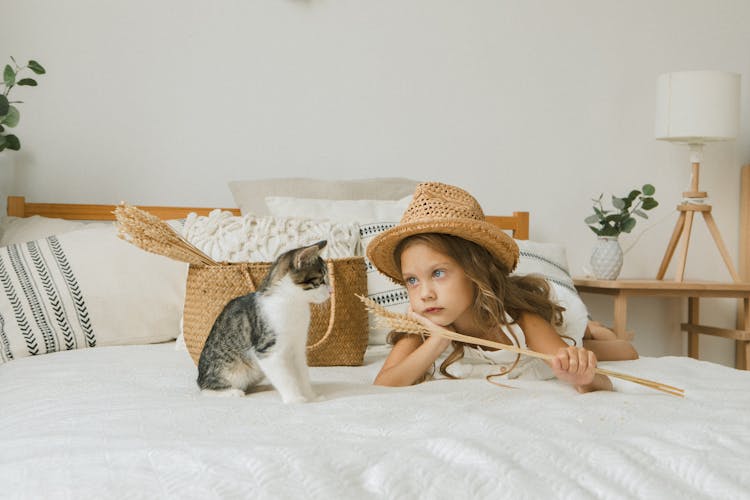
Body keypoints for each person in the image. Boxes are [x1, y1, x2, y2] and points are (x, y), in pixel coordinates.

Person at [366, 181, 613, 392]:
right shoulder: (421, 330)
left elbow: (601, 381)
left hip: (554, 322)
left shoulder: (522, 321)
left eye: (438, 273)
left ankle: (594, 330)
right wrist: (438, 340)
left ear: (474, 270)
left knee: (620, 351)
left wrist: (584, 378)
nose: (425, 294)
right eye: (412, 280)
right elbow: (384, 384)